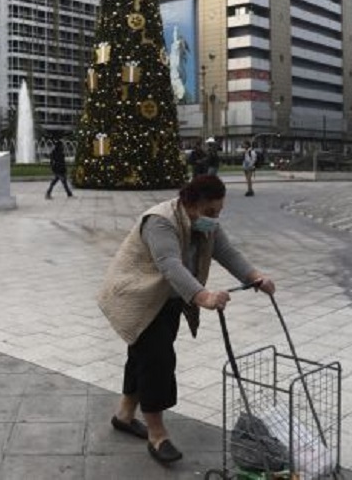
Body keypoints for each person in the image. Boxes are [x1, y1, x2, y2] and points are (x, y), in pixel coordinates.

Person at [98, 175, 276, 465]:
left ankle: (125, 415)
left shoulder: (205, 225)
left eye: (218, 213)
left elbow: (227, 252)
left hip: (166, 298)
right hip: (136, 297)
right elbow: (170, 264)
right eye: (209, 213)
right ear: (190, 203)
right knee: (158, 362)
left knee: (142, 355)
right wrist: (202, 296)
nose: (214, 219)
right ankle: (157, 435)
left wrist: (254, 277)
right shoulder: (161, 221)